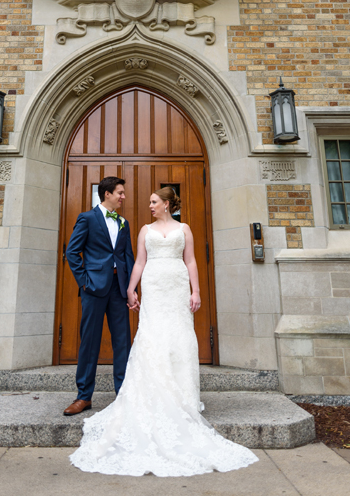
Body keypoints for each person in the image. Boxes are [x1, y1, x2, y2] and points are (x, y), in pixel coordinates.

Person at [70, 187, 258, 476]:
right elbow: (139, 261)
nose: (149, 205)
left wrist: (196, 291)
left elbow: (191, 260)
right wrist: (131, 289)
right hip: (151, 287)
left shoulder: (184, 228)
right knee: (149, 338)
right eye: (148, 202)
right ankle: (101, 393)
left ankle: (183, 397)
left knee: (179, 339)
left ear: (167, 204)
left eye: (154, 202)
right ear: (107, 194)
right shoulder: (142, 229)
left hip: (177, 286)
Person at [63, 176, 135, 416]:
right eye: (120, 193)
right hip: (93, 289)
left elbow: (127, 257)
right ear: (107, 194)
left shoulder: (123, 222)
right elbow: (72, 252)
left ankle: (123, 394)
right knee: (90, 342)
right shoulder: (87, 218)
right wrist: (85, 282)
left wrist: (131, 288)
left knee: (122, 343)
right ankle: (83, 396)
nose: (123, 197)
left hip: (118, 289)